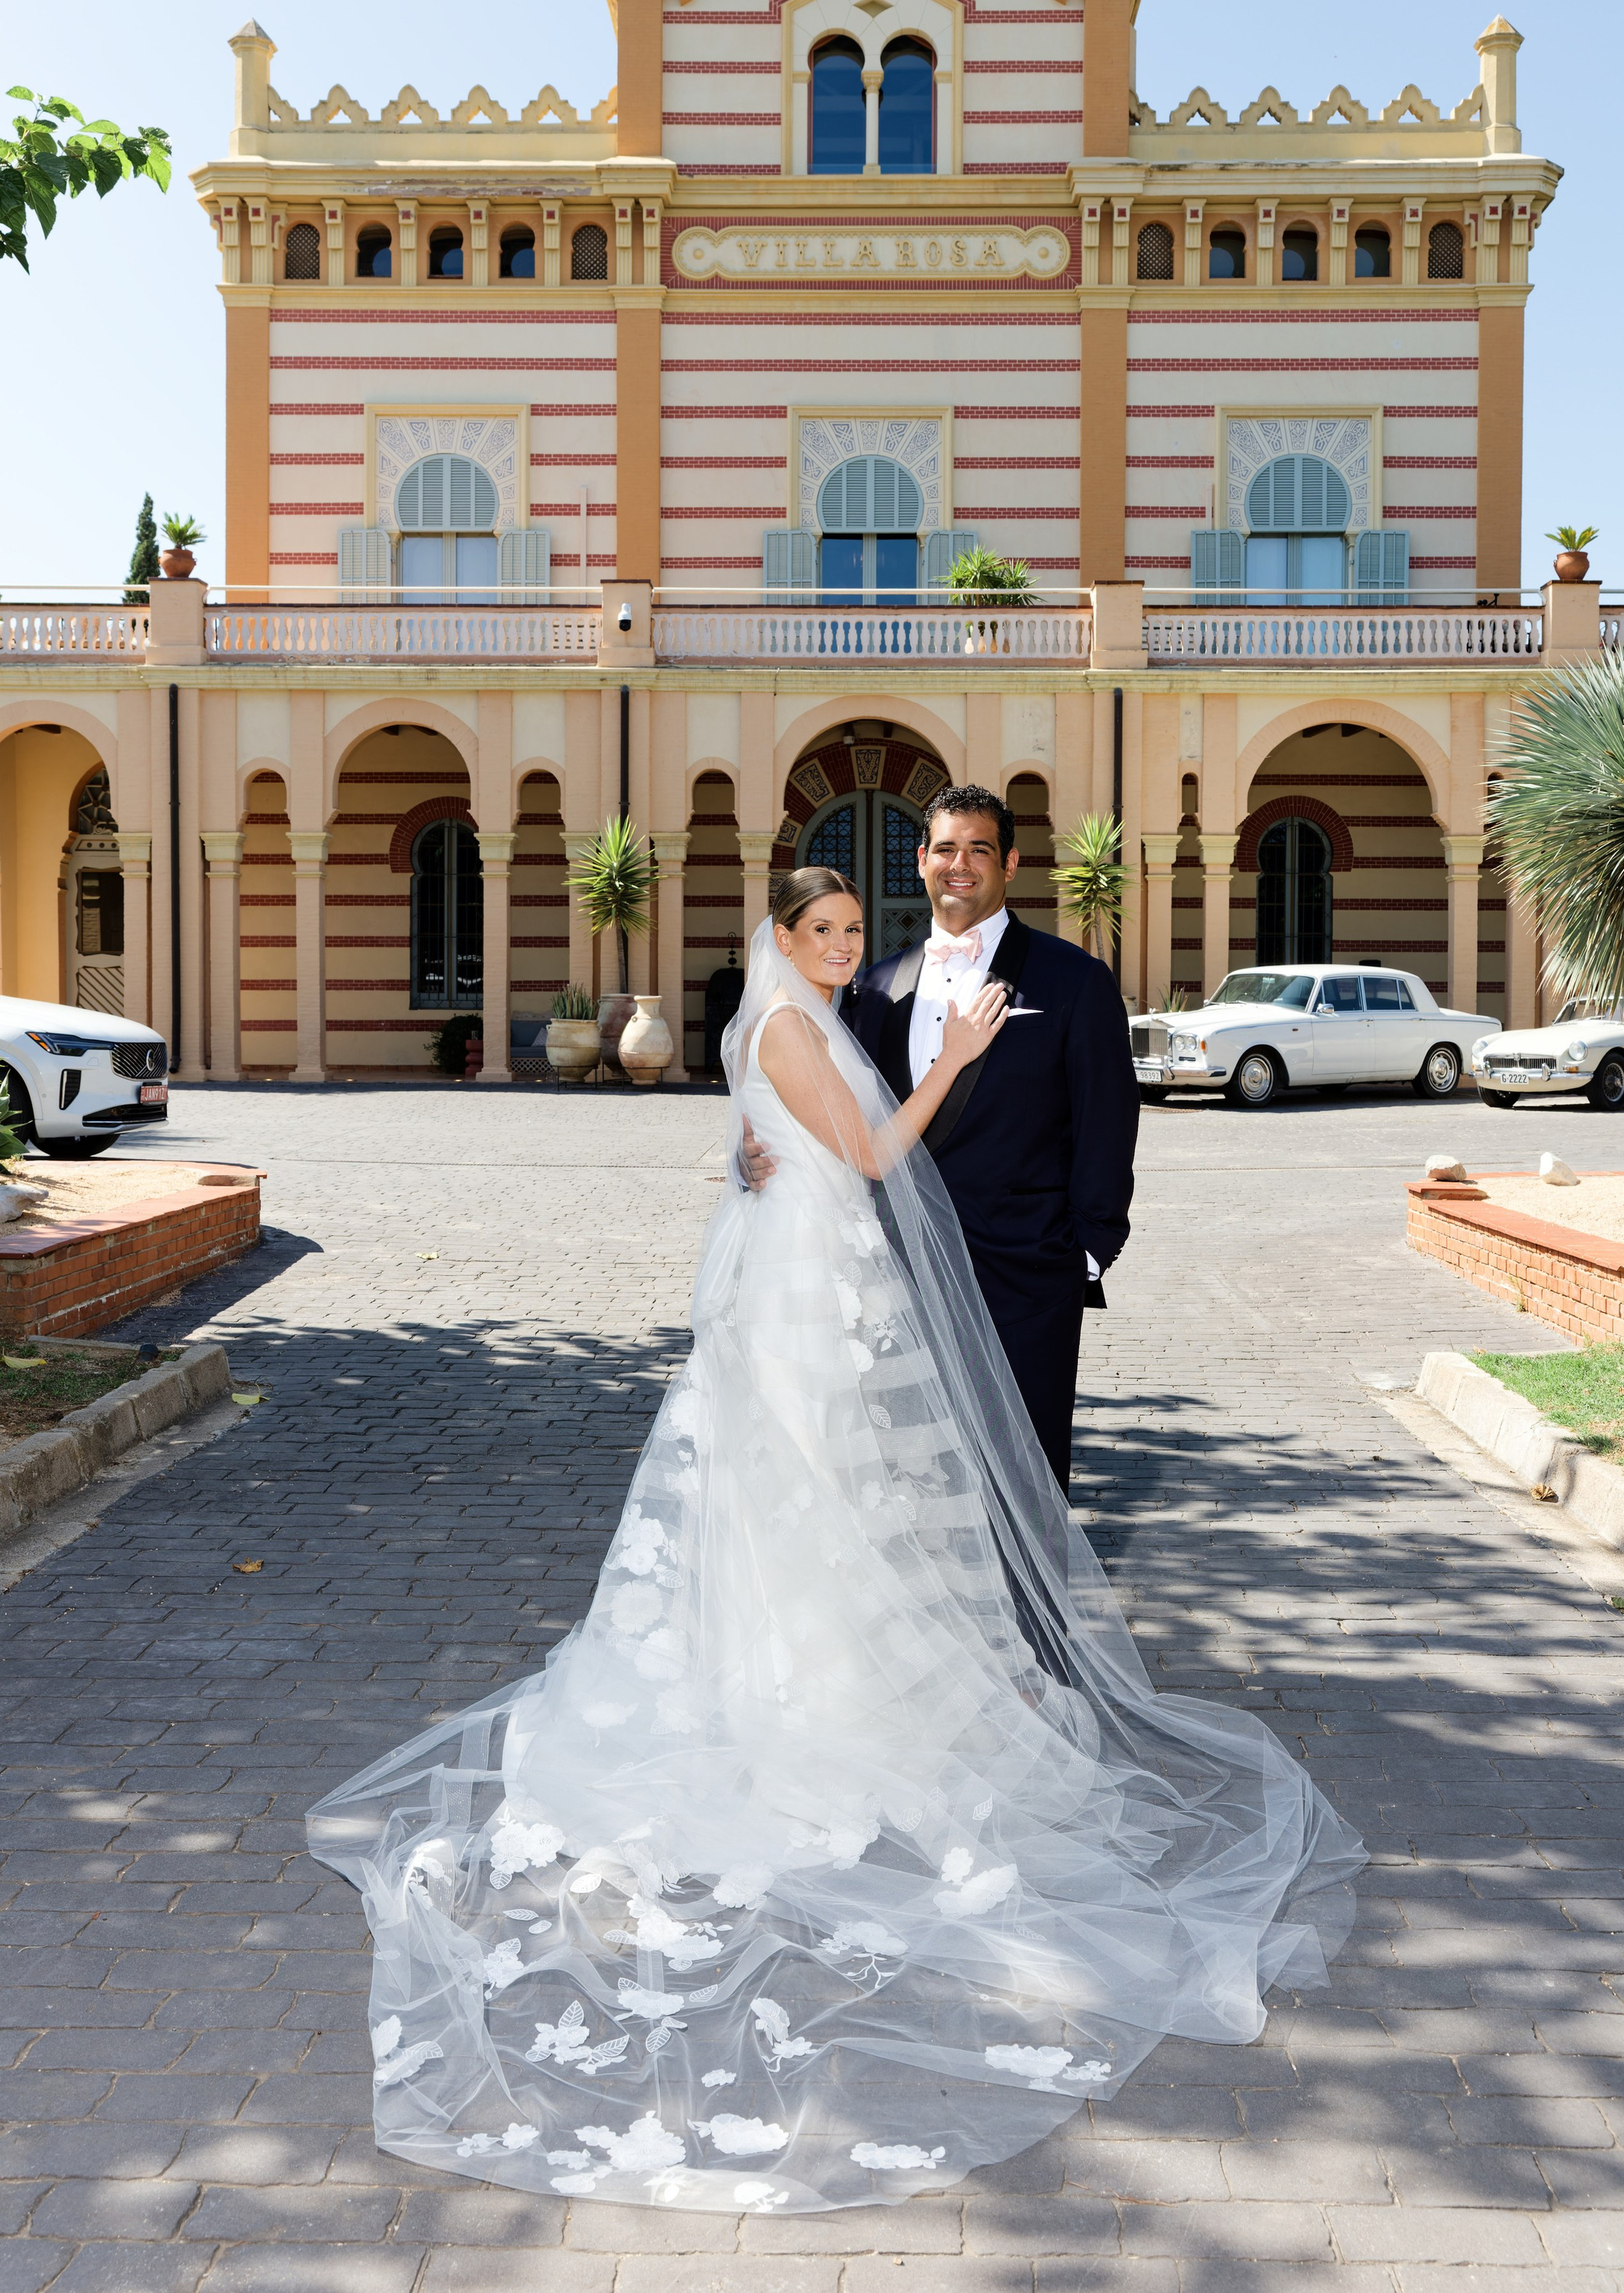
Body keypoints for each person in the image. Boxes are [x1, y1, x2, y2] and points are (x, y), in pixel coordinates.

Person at [308, 867, 1364, 2216]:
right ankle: (802, 1699)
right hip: (808, 1308)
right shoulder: (796, 1025)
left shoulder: (785, 1025)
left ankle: (807, 1674)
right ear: (780, 938)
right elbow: (870, 1156)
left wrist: (752, 1153)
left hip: (807, 1289)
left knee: (812, 1508)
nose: (846, 947)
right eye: (824, 931)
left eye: (856, 932)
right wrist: (961, 1058)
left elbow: (771, 1137)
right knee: (810, 1498)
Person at [745, 783, 1139, 1492]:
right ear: (922, 860)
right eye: (946, 849)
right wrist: (754, 1157)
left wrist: (1084, 1253)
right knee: (912, 1482)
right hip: (893, 1274)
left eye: (979, 849)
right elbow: (820, 1104)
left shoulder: (1073, 980)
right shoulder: (873, 985)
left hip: (1024, 1274)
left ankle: (1028, 1611)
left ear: (1010, 862)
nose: (961, 864)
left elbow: (1108, 1122)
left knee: (1025, 1478)